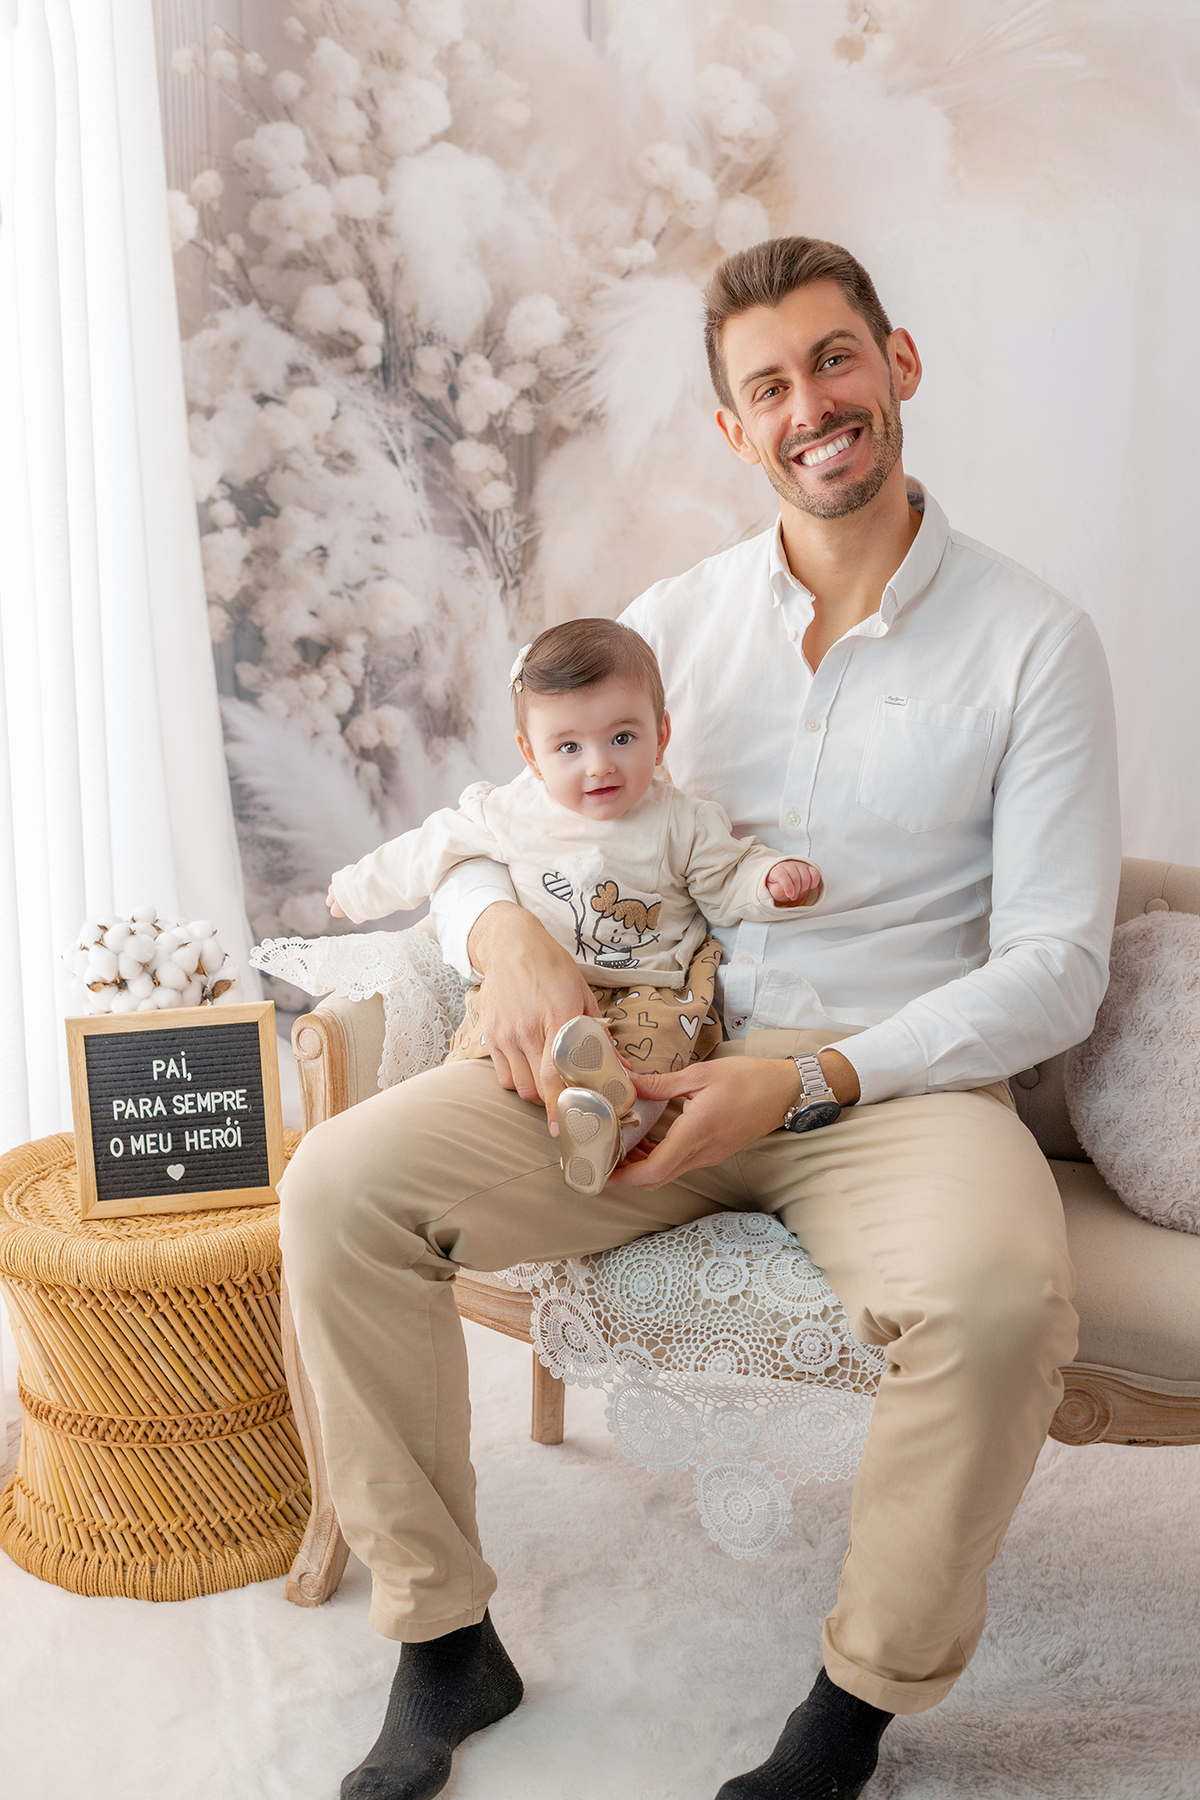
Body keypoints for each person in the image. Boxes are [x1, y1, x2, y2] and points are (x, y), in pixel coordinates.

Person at [280, 235, 1120, 1800]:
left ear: (899, 364)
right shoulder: (672, 622)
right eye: (770, 386)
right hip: (640, 1062)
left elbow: (1060, 964)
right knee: (338, 1186)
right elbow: (506, 820)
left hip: (893, 1089)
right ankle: (444, 1641)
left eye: (835, 360)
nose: (813, 407)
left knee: (1001, 1304)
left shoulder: (1034, 640)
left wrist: (807, 1084)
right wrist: (500, 933)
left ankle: (851, 1711)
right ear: (736, 429)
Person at [323, 615, 820, 1192]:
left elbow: (726, 878)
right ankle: (552, 1106)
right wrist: (356, 888)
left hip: (648, 988)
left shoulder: (681, 822)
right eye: (569, 747)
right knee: (489, 1049)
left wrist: (768, 881)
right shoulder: (509, 814)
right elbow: (427, 850)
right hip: (537, 988)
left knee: (651, 1065)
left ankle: (608, 1135)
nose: (599, 764)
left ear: (661, 735)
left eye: (622, 738)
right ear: (531, 755)